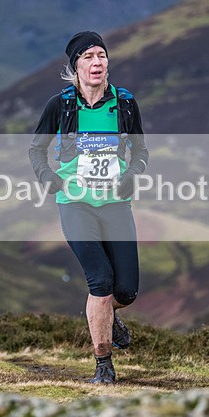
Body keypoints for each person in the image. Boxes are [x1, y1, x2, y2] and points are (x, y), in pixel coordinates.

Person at [29, 31, 149, 384]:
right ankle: (103, 366)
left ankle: (109, 316)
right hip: (76, 202)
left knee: (126, 291)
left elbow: (141, 152)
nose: (97, 63)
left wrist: (132, 174)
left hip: (115, 204)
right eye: (88, 57)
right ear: (75, 67)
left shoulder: (124, 103)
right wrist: (47, 178)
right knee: (100, 282)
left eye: (101, 55)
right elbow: (36, 150)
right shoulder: (61, 105)